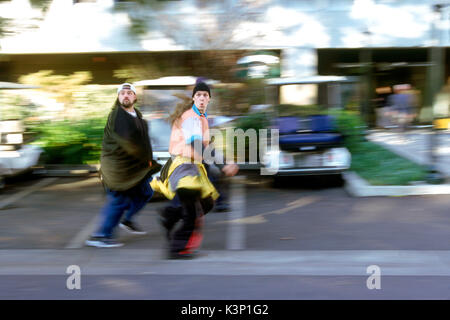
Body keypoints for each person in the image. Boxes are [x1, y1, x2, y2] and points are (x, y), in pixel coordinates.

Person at [151, 81, 238, 259]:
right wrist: (223, 164)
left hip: (189, 168)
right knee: (193, 211)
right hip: (185, 168)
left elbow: (203, 145)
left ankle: (170, 217)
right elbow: (195, 143)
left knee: (200, 205)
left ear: (209, 99)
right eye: (199, 95)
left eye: (205, 95)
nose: (202, 98)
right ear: (193, 97)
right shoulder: (191, 117)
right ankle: (177, 247)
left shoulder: (199, 117)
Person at [85, 83, 160, 248]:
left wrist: (148, 160)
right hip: (118, 169)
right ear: (118, 97)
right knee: (118, 201)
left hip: (134, 168)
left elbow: (143, 141)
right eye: (122, 93)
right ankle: (101, 236)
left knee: (146, 191)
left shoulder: (136, 115)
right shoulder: (118, 116)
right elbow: (128, 144)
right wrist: (146, 160)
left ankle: (127, 220)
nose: (125, 96)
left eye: (129, 93)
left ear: (135, 97)